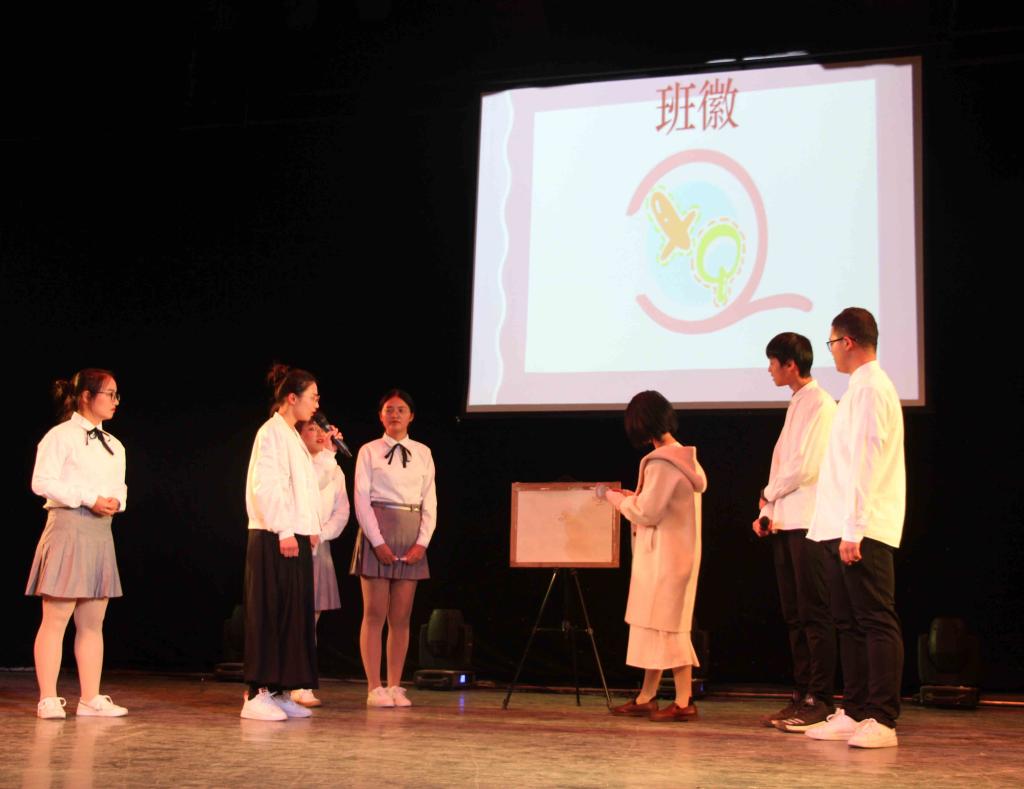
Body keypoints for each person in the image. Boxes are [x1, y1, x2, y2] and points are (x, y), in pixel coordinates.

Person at [806, 308, 906, 749]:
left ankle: (882, 718)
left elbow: (867, 458)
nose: (830, 352)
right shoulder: (856, 390)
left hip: (862, 527)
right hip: (840, 525)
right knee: (847, 622)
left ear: (847, 342)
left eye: (831, 343)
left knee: (874, 620)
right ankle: (857, 710)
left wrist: (854, 528)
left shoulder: (870, 389)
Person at [27, 369, 130, 720]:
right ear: (86, 396)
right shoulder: (60, 437)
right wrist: (89, 498)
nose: (115, 401)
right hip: (69, 527)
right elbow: (42, 482)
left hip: (100, 531)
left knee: (92, 621)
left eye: (116, 395)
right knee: (56, 618)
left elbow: (120, 487)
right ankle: (48, 697)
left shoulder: (115, 445)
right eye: (109, 394)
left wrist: (115, 501)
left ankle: (90, 697)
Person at [602, 390, 708, 722]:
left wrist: (617, 500)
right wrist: (635, 498)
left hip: (666, 559)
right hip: (672, 556)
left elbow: (647, 512)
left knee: (669, 629)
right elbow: (658, 505)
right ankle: (646, 696)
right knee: (654, 626)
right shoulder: (683, 459)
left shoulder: (663, 462)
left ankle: (684, 700)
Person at [753, 333, 838, 732]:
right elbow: (781, 465)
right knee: (794, 616)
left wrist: (769, 494)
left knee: (814, 614)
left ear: (790, 364)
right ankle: (801, 693)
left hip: (809, 523)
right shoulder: (797, 403)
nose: (769, 369)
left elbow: (805, 466)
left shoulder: (820, 403)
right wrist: (768, 511)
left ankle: (820, 698)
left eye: (773, 362)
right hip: (786, 522)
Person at [241, 365, 323, 721]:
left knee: (292, 615)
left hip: (294, 534)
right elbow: (267, 485)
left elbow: (303, 489)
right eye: (312, 397)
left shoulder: (292, 435)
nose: (316, 405)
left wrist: (310, 528)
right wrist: (285, 530)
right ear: (292, 397)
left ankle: (280, 691)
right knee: (268, 612)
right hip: (274, 534)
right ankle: (256, 693)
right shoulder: (271, 432)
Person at [352, 389, 436, 708]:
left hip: (411, 532)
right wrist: (377, 541)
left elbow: (430, 501)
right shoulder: (369, 451)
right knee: (374, 613)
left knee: (401, 616)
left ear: (411, 416)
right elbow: (361, 499)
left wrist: (422, 542)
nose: (395, 414)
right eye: (389, 409)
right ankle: (374, 687)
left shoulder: (423, 452)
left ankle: (395, 684)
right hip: (379, 528)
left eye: (401, 409)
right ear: (381, 415)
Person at [290, 415, 350, 708]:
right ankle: (283, 681)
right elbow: (311, 488)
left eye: (320, 429)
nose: (318, 434)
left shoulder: (333, 468)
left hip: (319, 545)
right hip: (295, 543)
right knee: (292, 617)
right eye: (311, 429)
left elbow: (342, 510)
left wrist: (322, 534)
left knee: (311, 619)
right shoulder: (299, 464)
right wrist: (328, 455)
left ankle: (302, 682)